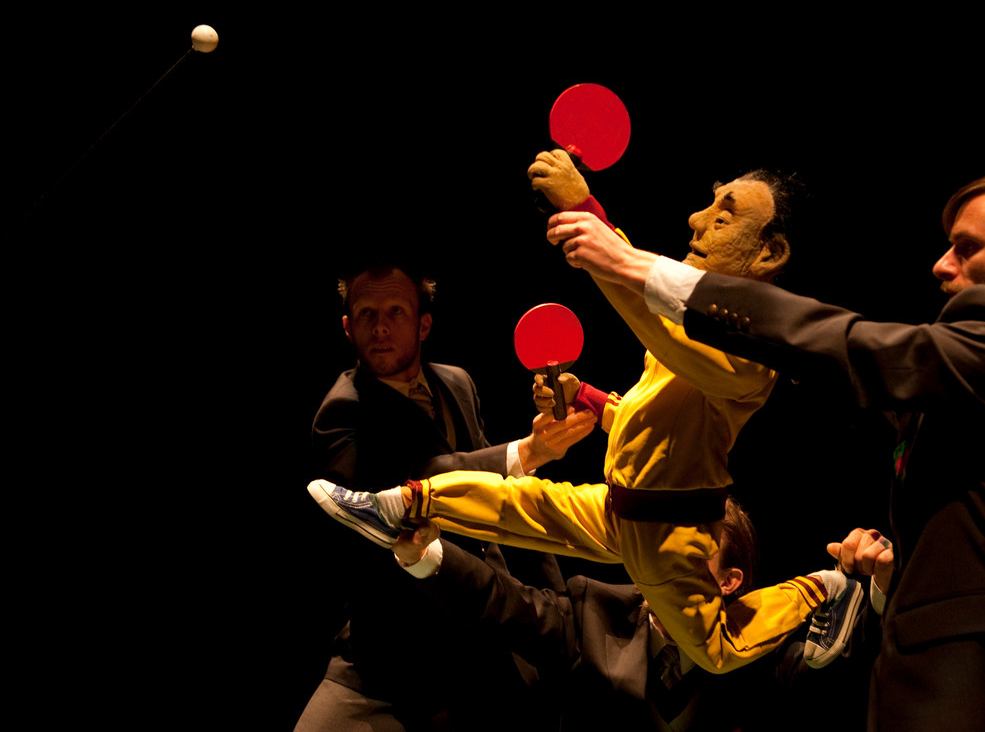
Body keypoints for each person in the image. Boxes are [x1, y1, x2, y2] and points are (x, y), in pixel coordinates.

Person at [544, 166, 985, 730]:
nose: (941, 265)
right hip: (942, 682)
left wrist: (632, 264)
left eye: (967, 248)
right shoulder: (978, 395)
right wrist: (891, 577)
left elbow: (853, 348)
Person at [310, 151, 860, 677]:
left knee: (718, 649)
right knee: (514, 503)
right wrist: (589, 399)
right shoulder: (698, 327)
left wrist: (586, 214)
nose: (697, 219)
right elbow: (649, 415)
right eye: (710, 204)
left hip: (668, 533)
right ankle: (396, 504)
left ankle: (826, 589)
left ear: (769, 254)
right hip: (620, 505)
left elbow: (652, 311)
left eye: (725, 214)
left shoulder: (751, 351)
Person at [296, 257, 594, 732]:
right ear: (348, 327)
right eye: (367, 314)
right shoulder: (341, 412)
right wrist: (523, 451)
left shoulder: (457, 383)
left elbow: (506, 499)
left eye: (395, 311)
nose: (380, 327)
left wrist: (554, 600)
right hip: (400, 649)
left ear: (424, 324)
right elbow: (409, 487)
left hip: (487, 627)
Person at [390, 497, 792, 731]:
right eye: (660, 546)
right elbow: (502, 602)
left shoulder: (754, 646)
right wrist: (427, 556)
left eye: (690, 556)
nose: (661, 563)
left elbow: (811, 668)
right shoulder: (593, 609)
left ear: (728, 581)